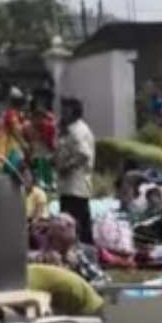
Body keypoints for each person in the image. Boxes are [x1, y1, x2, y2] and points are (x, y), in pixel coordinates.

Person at [54, 97, 97, 246]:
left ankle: (76, 249)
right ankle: (86, 248)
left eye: (65, 110)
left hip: (75, 184)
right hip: (69, 185)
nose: (62, 113)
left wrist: (66, 166)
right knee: (81, 223)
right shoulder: (68, 130)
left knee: (71, 223)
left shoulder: (78, 131)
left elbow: (83, 154)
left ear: (73, 112)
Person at [0, 88, 31, 172]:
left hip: (12, 147)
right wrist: (24, 144)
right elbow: (16, 132)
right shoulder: (11, 114)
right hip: (8, 147)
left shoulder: (17, 115)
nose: (27, 107)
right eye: (25, 104)